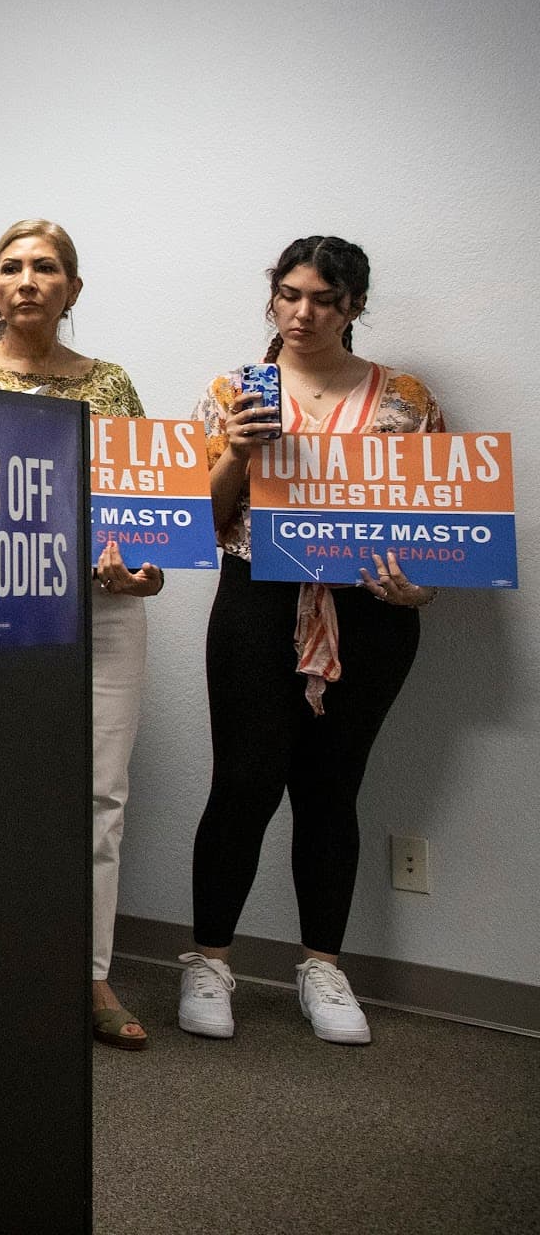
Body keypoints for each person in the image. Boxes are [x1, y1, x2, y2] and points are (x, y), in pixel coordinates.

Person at [178, 236, 443, 1046]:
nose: (301, 312)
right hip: (256, 602)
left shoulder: (404, 398)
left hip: (372, 613)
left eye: (322, 299)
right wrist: (242, 451)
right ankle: (210, 962)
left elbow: (442, 518)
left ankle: (323, 967)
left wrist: (421, 585)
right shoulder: (235, 391)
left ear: (354, 306)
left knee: (333, 791)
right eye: (288, 294)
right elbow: (195, 520)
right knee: (244, 783)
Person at [0, 219, 164, 1051]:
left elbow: (151, 526)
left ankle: (89, 972)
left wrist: (142, 572)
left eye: (45, 268)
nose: (27, 280)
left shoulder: (112, 386)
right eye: (11, 268)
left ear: (72, 287)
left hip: (102, 615)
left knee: (99, 798)